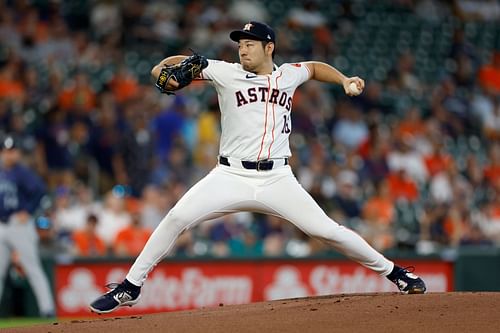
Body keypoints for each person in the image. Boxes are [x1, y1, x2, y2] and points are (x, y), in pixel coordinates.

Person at [90, 21, 426, 314]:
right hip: (230, 175)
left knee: (325, 230)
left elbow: (314, 67)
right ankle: (130, 287)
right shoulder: (224, 72)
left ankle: (396, 273)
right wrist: (165, 73)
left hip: (278, 178)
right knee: (177, 217)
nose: (243, 50)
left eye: (250, 44)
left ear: (269, 47)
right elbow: (162, 68)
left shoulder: (289, 75)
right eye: (240, 44)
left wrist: (344, 81)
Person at [0, 135, 55, 317]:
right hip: (2, 225)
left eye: (13, 151)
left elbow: (40, 190)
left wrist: (29, 210)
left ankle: (47, 309)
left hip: (19, 225)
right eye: (8, 151)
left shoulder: (22, 172)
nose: (11, 154)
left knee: (33, 268)